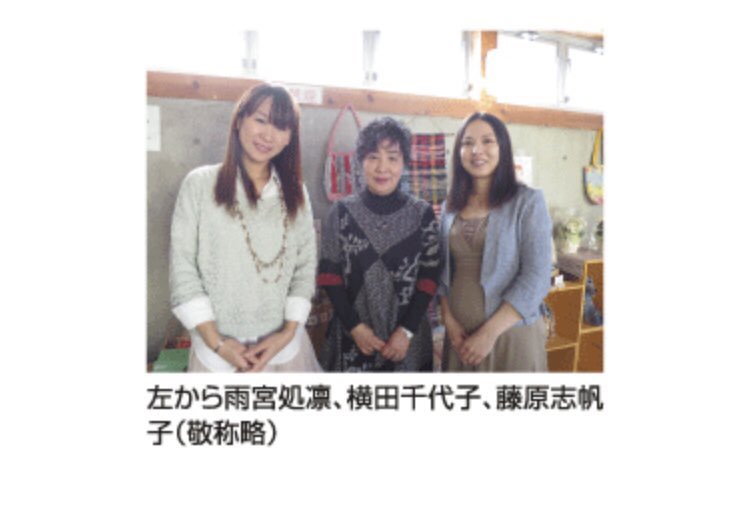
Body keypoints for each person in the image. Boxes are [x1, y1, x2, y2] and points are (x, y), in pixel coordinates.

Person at [169, 83, 320, 372]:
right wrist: (218, 343)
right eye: (260, 120)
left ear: (290, 137)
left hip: (285, 351)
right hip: (216, 355)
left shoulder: (296, 192)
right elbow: (183, 269)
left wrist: (287, 333)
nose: (268, 135)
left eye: (281, 127)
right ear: (239, 120)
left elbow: (305, 267)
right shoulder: (199, 185)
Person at [318, 117, 441, 372]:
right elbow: (329, 276)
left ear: (404, 163)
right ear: (360, 161)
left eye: (392, 158)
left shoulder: (422, 214)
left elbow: (430, 277)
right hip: (352, 338)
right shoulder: (340, 212)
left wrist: (406, 331)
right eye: (373, 157)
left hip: (408, 341)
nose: (382, 167)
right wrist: (355, 327)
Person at [438, 112, 552, 371]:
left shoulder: (527, 201)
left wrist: (488, 334)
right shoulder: (449, 206)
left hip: (510, 336)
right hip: (459, 338)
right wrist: (449, 321)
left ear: (502, 147)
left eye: (487, 141)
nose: (476, 150)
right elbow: (441, 270)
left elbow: (537, 276)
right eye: (467, 143)